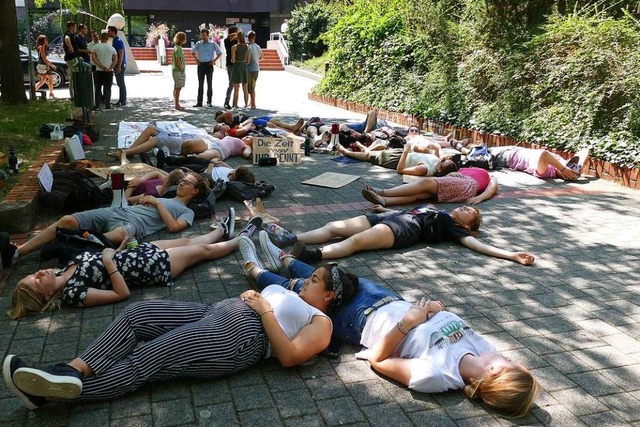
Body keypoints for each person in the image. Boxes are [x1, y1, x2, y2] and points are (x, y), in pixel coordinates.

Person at [2, 243, 359, 410]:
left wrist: (264, 308)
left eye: (313, 281)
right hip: (215, 310)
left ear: (328, 297)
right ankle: (72, 369)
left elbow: (291, 357)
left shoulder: (321, 322)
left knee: (149, 358)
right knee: (137, 315)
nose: (305, 283)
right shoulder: (296, 294)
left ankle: (49, 393)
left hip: (240, 337)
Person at [238, 235, 540, 418]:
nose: (510, 357)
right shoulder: (484, 351)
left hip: (361, 321)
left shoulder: (436, 376)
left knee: (307, 292)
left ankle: (256, 270)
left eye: (510, 363)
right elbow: (441, 322)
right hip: (388, 299)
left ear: (494, 373)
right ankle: (286, 258)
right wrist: (435, 309)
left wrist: (407, 325)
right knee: (330, 275)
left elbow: (377, 360)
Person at [7, 217, 262, 319]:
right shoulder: (74, 294)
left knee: (187, 241)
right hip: (151, 268)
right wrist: (109, 261)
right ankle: (241, 238)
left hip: (137, 253)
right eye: (37, 280)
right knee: (203, 252)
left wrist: (119, 250)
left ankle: (221, 230)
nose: (39, 272)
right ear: (47, 296)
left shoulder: (64, 270)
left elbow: (107, 259)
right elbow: (121, 294)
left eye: (34, 273)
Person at [0, 173, 207, 267]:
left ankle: (65, 244)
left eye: (186, 182)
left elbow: (173, 228)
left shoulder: (186, 211)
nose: (181, 183)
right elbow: (126, 200)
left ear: (195, 191)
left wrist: (157, 203)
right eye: (181, 181)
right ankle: (17, 253)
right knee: (67, 220)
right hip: (118, 211)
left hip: (133, 226)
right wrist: (136, 190)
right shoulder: (165, 196)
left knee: (121, 235)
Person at [266, 205, 535, 265]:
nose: (466, 207)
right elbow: (410, 209)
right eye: (467, 205)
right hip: (389, 217)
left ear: (468, 225)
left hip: (403, 230)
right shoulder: (437, 209)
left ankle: (314, 255)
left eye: (471, 212)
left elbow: (477, 245)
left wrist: (510, 254)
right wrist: (384, 208)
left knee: (356, 242)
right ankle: (291, 238)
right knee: (336, 227)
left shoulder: (452, 226)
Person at [361, 166, 499, 206]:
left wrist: (481, 197)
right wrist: (452, 173)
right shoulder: (463, 168)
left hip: (469, 185)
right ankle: (385, 201)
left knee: (425, 183)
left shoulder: (484, 172)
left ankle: (383, 192)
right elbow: (453, 174)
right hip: (464, 186)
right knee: (421, 195)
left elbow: (493, 185)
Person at [109, 124, 226, 164]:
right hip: (179, 135)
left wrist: (184, 156)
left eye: (223, 131)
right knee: (151, 128)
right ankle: (130, 151)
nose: (220, 130)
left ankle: (124, 153)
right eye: (219, 128)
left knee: (154, 140)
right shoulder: (205, 133)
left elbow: (211, 155)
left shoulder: (216, 144)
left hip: (182, 142)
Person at [489, 146, 588, 180]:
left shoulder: (548, 172)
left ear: (564, 175)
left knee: (477, 153)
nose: (566, 162)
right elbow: (585, 150)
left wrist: (563, 169)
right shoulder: (559, 164)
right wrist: (580, 166)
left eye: (568, 165)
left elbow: (544, 155)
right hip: (514, 149)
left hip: (506, 157)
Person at [191, 28, 222, 107]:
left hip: (209, 65)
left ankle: (209, 102)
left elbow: (220, 53)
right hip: (201, 65)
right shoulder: (199, 43)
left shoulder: (212, 44)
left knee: (209, 83)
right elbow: (192, 52)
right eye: (202, 35)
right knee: (200, 84)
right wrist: (196, 60)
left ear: (208, 35)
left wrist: (214, 60)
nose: (203, 37)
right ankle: (199, 102)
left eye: (204, 35)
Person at [91, 32, 117, 110]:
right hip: (109, 71)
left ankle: (97, 104)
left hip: (99, 70)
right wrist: (110, 68)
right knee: (108, 88)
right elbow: (115, 60)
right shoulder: (112, 48)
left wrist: (102, 66)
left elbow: (94, 58)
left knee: (98, 88)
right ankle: (107, 104)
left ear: (100, 38)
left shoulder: (95, 47)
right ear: (107, 39)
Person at [107, 26, 127, 107]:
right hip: (118, 65)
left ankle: (123, 101)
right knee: (119, 83)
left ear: (113, 32)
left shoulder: (118, 41)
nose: (108, 33)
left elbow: (121, 53)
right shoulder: (115, 41)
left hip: (120, 65)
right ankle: (121, 100)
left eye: (109, 31)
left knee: (121, 83)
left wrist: (118, 65)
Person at [230, 30, 250, 109]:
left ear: (237, 37)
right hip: (244, 67)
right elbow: (248, 60)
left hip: (237, 67)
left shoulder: (234, 47)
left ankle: (235, 105)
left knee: (236, 88)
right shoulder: (247, 46)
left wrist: (233, 60)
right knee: (245, 88)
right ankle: (246, 105)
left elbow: (233, 60)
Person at [246, 30, 262, 109]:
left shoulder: (248, 47)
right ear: (254, 37)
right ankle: (251, 102)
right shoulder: (258, 46)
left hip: (250, 69)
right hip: (256, 69)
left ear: (248, 38)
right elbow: (262, 56)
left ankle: (253, 104)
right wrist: (256, 59)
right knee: (253, 86)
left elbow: (248, 61)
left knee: (250, 88)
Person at [223, 26, 238, 109]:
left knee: (236, 85)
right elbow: (228, 50)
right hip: (230, 64)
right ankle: (226, 102)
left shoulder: (237, 40)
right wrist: (233, 37)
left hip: (237, 63)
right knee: (231, 83)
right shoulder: (226, 40)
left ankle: (234, 103)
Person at [63, 21, 79, 99]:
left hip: (71, 57)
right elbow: (66, 38)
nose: (76, 28)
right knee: (74, 76)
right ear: (71, 27)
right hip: (71, 58)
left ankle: (73, 94)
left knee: (72, 76)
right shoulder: (69, 34)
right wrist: (71, 47)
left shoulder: (69, 34)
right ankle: (73, 95)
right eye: (75, 27)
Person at [171, 32, 187, 111]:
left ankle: (176, 104)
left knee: (176, 88)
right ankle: (177, 105)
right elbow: (178, 60)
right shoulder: (179, 48)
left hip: (175, 70)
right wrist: (181, 69)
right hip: (178, 71)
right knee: (178, 88)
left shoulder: (176, 47)